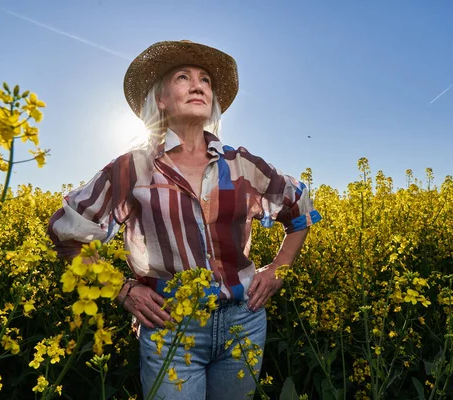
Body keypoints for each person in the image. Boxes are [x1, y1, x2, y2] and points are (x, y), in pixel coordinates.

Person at [47, 40, 321, 399]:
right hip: (170, 326)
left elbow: (300, 209)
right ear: (160, 100)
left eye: (205, 80)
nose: (198, 85)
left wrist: (277, 271)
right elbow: (65, 233)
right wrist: (122, 289)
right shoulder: (133, 168)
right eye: (183, 77)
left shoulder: (242, 164)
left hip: (244, 320)